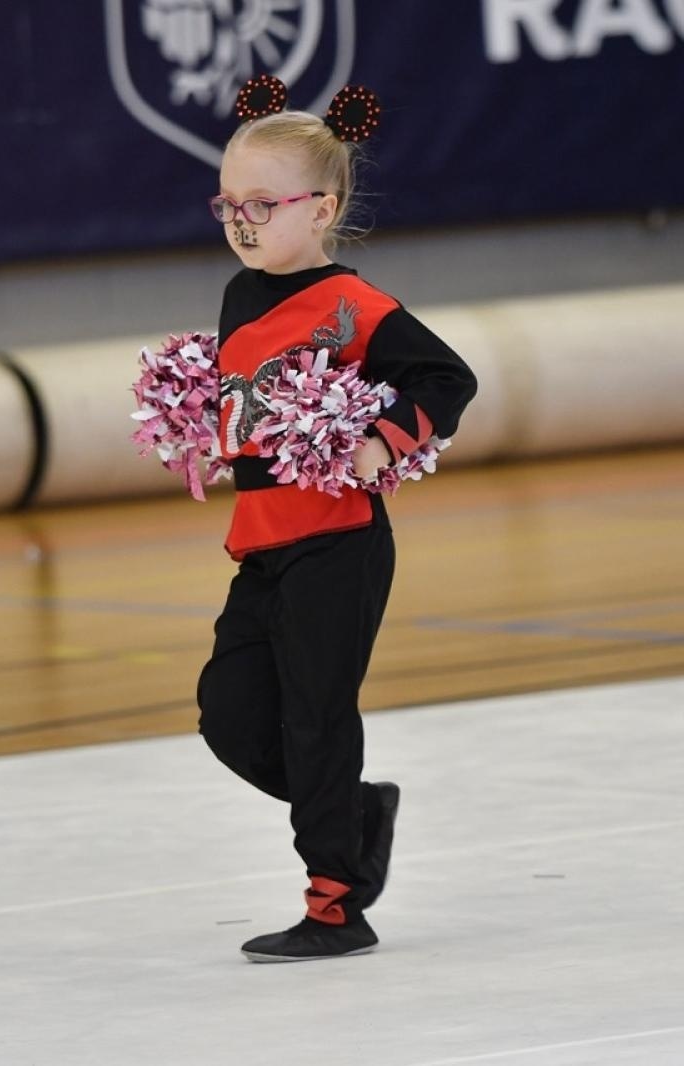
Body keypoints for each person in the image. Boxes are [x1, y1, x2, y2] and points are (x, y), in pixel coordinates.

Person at [196, 76, 477, 963]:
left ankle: (335, 906)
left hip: (338, 545)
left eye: (262, 204)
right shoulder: (242, 295)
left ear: (321, 209)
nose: (242, 221)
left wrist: (384, 441)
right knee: (229, 716)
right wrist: (222, 439)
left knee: (317, 719)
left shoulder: (359, 307)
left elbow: (447, 379)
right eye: (228, 203)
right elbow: (257, 397)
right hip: (264, 546)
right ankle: (354, 812)